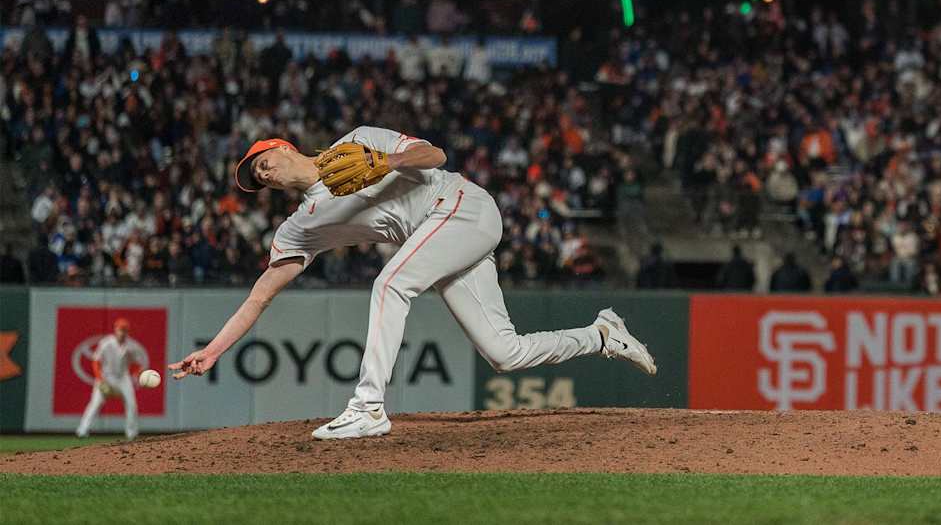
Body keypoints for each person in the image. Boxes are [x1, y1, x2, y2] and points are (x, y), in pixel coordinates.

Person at [169, 127, 656, 440]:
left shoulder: (357, 140)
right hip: (443, 240)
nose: (265, 176)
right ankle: (602, 335)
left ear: (284, 147)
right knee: (505, 353)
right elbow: (260, 296)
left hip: (462, 205)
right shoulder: (300, 227)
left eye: (263, 163)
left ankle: (368, 407)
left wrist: (387, 161)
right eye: (258, 178)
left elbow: (434, 153)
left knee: (389, 284)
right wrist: (213, 350)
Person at [76, 319, 148, 441]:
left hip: (123, 378)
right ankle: (82, 430)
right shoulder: (106, 343)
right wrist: (100, 379)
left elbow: (137, 364)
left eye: (124, 330)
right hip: (106, 377)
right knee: (95, 403)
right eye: (120, 329)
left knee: (131, 404)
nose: (122, 332)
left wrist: (138, 375)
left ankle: (132, 433)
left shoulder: (131, 346)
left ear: (127, 332)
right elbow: (96, 361)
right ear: (115, 330)